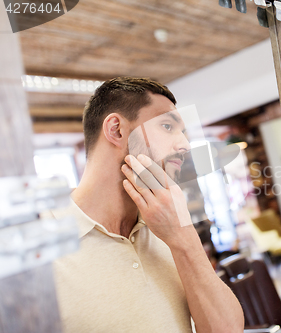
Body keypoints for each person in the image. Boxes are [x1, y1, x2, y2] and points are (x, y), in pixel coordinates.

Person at [50, 77, 244, 332]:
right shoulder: (37, 245)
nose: (185, 145)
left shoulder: (169, 229)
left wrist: (183, 237)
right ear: (116, 130)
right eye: (167, 126)